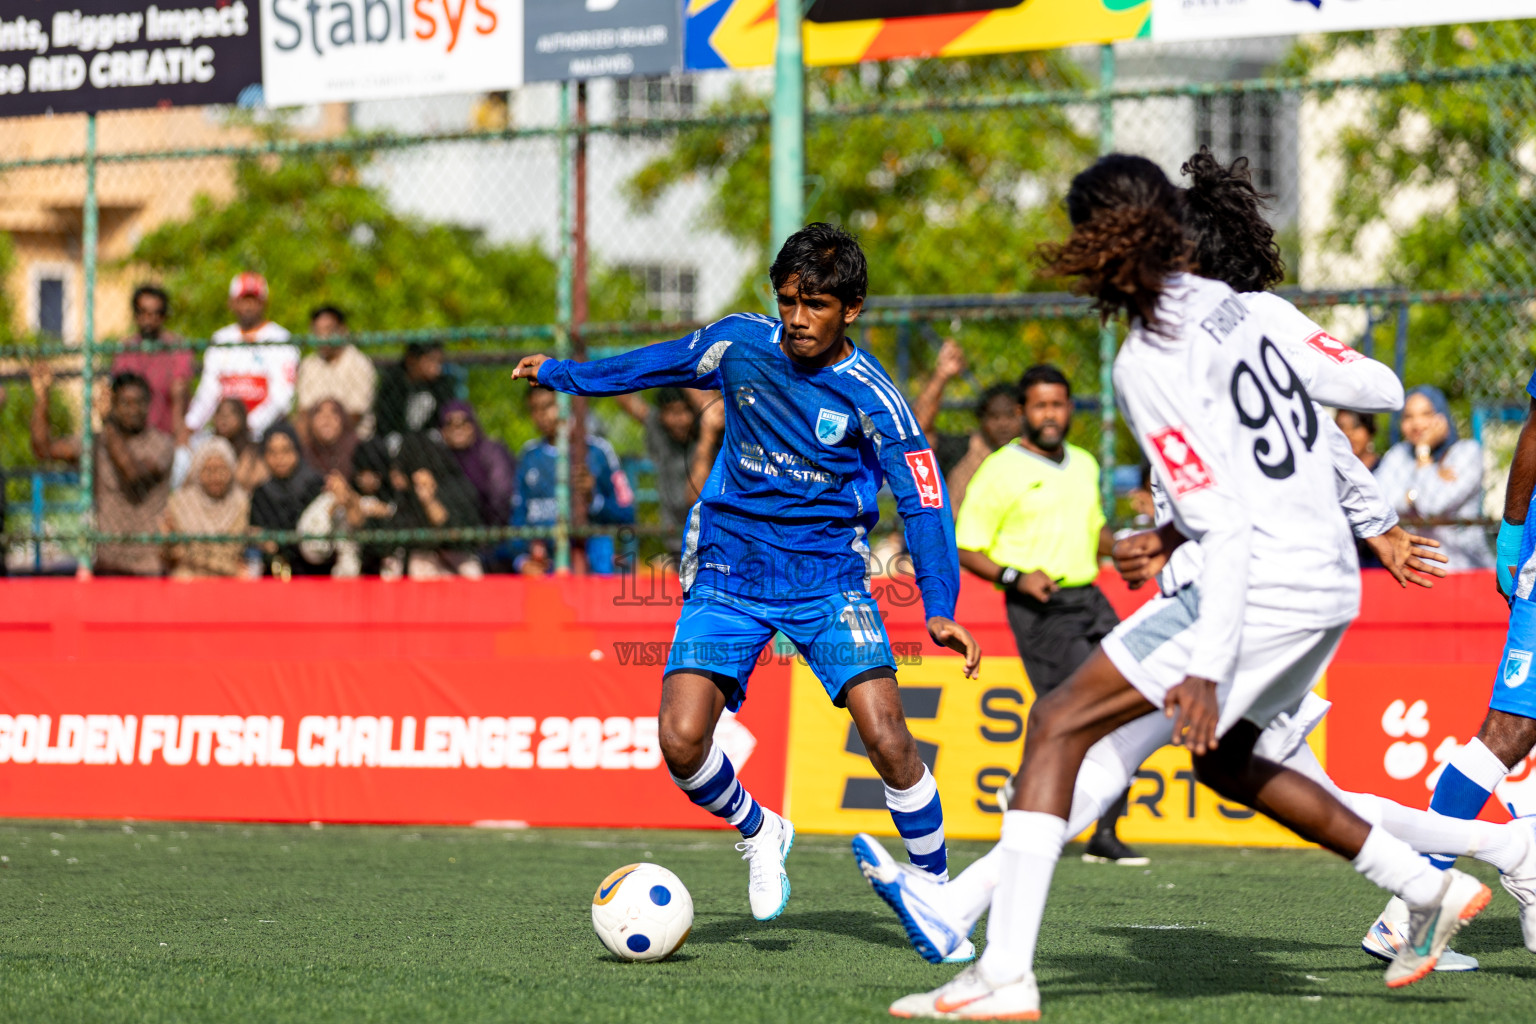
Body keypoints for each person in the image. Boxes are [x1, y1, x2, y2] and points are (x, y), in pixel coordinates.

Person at [876, 156, 1493, 1018]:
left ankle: (1003, 973)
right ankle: (1427, 888)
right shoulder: (1239, 306)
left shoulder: (1146, 360)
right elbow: (1291, 447)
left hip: (1260, 579)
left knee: (1058, 723)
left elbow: (1230, 524)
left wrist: (1205, 664)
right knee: (1228, 762)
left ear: (1105, 241)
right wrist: (1173, 535)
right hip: (1325, 579)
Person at [510, 222, 982, 942]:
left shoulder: (877, 398)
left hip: (826, 580)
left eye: (816, 304)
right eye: (788, 300)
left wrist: (940, 605)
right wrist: (564, 374)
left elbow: (923, 500)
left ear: (852, 309)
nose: (798, 318)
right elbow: (657, 363)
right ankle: (760, 829)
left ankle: (939, 898)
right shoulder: (740, 344)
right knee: (681, 741)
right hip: (729, 569)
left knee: (888, 738)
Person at [954, 363, 1139, 865]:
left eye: (1058, 404)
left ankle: (1104, 833)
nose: (1051, 414)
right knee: (1085, 710)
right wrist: (1015, 576)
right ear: (1022, 412)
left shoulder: (1084, 463)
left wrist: (1126, 548)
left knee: (1131, 694)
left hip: (1089, 597)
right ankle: (1035, 799)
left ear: (1070, 408)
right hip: (1040, 607)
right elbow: (966, 546)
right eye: (1040, 406)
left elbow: (1093, 531)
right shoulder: (1000, 470)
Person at [31, 366, 173, 577]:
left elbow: (132, 473)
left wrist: (107, 422)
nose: (133, 410)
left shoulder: (161, 444)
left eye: (139, 402)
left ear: (149, 404)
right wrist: (43, 395)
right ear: (114, 405)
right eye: (125, 403)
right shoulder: (97, 442)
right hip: (108, 564)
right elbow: (44, 449)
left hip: (148, 565)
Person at [512, 388, 636, 575]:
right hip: (544, 559)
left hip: (591, 557)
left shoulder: (597, 452)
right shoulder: (529, 456)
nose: (541, 415)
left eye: (548, 406)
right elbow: (517, 518)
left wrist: (592, 499)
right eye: (534, 409)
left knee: (600, 543)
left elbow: (626, 512)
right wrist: (521, 560)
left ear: (567, 406)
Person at [1373, 386, 1493, 570]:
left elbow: (1431, 506)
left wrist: (1423, 452)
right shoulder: (1398, 455)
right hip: (1412, 569)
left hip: (1462, 567)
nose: (1417, 424)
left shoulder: (1466, 453)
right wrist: (1414, 495)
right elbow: (1376, 503)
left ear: (1441, 416)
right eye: (1408, 417)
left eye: (1426, 414)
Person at [911, 338, 1024, 512]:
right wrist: (942, 375)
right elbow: (917, 431)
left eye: (1010, 415)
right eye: (994, 416)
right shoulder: (961, 450)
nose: (1002, 424)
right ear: (981, 419)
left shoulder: (1034, 456)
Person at [184, 273, 299, 441]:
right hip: (222, 430)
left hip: (264, 433)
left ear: (264, 304)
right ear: (232, 303)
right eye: (243, 300)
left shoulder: (280, 338)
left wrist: (247, 427)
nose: (249, 306)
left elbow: (282, 398)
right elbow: (208, 391)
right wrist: (191, 425)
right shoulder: (221, 338)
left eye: (254, 300)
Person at [613, 387, 723, 556]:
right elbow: (626, 400)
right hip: (676, 541)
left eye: (684, 411)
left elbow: (695, 497)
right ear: (662, 414)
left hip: (710, 541)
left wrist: (707, 437)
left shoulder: (712, 435)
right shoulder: (660, 429)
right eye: (671, 412)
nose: (679, 420)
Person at [389, 433, 485, 580]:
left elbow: (456, 532)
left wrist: (429, 500)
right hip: (424, 557)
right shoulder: (406, 495)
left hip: (457, 554)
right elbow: (402, 533)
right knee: (418, 562)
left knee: (471, 571)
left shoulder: (454, 484)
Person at [110, 285, 193, 442]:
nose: (149, 319)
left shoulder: (177, 347)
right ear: (136, 315)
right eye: (143, 312)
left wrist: (178, 440)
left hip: (166, 435)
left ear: (163, 316)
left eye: (156, 313)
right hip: (130, 434)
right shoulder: (126, 348)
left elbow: (180, 392)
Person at [162, 439, 250, 579]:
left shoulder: (241, 503)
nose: (215, 477)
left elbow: (235, 550)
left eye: (222, 469)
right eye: (208, 470)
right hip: (189, 576)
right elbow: (173, 552)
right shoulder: (180, 504)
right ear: (197, 471)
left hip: (228, 577)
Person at [249, 422, 327, 578]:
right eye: (272, 452)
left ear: (297, 451)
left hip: (314, 573)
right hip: (275, 573)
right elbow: (257, 533)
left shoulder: (315, 486)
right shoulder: (262, 493)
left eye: (286, 450)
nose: (279, 458)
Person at [295, 306, 377, 438]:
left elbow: (357, 413)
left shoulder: (360, 363)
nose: (323, 337)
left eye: (328, 330)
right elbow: (304, 411)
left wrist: (329, 432)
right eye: (318, 332)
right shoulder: (308, 364)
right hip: (315, 438)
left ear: (343, 330)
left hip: (354, 438)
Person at [440, 399, 516, 529]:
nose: (457, 428)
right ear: (443, 431)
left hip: (500, 526)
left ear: (473, 425)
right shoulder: (441, 459)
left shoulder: (490, 451)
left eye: (464, 421)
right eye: (449, 423)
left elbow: (502, 494)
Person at [374, 342, 456, 442]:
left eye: (439, 362)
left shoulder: (441, 385)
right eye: (431, 360)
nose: (437, 368)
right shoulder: (393, 383)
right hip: (396, 437)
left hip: (428, 439)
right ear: (412, 360)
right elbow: (385, 420)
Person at [211, 397, 270, 494]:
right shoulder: (208, 449)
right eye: (220, 413)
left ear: (241, 418)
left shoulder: (253, 452)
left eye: (230, 414)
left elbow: (260, 481)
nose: (224, 418)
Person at [300, 398, 359, 480]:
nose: (327, 419)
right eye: (320, 413)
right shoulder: (302, 454)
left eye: (334, 412)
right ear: (311, 422)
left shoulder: (357, 450)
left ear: (343, 420)